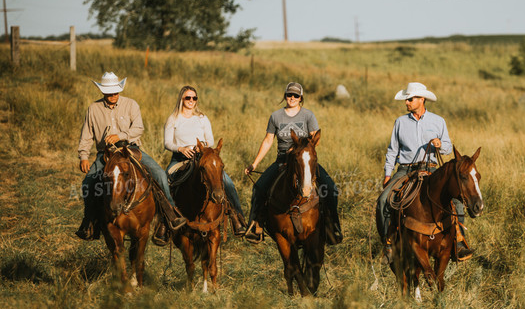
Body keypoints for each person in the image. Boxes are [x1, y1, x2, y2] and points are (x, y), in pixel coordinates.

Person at [76, 72, 186, 240]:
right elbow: (87, 134)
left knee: (160, 175)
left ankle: (171, 214)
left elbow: (138, 128)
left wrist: (120, 135)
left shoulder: (131, 104)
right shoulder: (93, 109)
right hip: (106, 153)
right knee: (88, 182)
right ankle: (89, 221)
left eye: (115, 91)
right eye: (109, 92)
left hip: (130, 149)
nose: (113, 95)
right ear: (103, 92)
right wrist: (83, 156)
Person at [376, 82, 474, 262]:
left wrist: (439, 144)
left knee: (457, 201)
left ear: (422, 100)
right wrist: (388, 174)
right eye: (406, 99)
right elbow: (392, 150)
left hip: (431, 170)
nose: (406, 102)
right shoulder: (400, 122)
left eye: (410, 99)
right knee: (383, 200)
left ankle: (459, 242)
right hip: (406, 169)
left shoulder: (438, 121)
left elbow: (447, 147)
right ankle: (388, 243)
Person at [244, 82, 342, 245]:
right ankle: (256, 225)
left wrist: (298, 150)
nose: (292, 98)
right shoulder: (276, 116)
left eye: (296, 95)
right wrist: (254, 164)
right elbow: (268, 140)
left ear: (301, 98)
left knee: (331, 188)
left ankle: (333, 227)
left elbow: (314, 139)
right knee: (259, 188)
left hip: (304, 161)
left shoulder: (308, 116)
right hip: (282, 160)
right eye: (289, 95)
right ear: (285, 96)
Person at [155, 85, 248, 245]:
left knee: (226, 182)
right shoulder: (173, 118)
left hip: (202, 158)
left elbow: (210, 140)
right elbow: (167, 142)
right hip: (180, 159)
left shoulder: (202, 118)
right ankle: (164, 223)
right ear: (181, 99)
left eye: (194, 98)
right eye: (188, 98)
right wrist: (181, 148)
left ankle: (237, 217)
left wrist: (202, 146)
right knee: (165, 181)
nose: (191, 101)